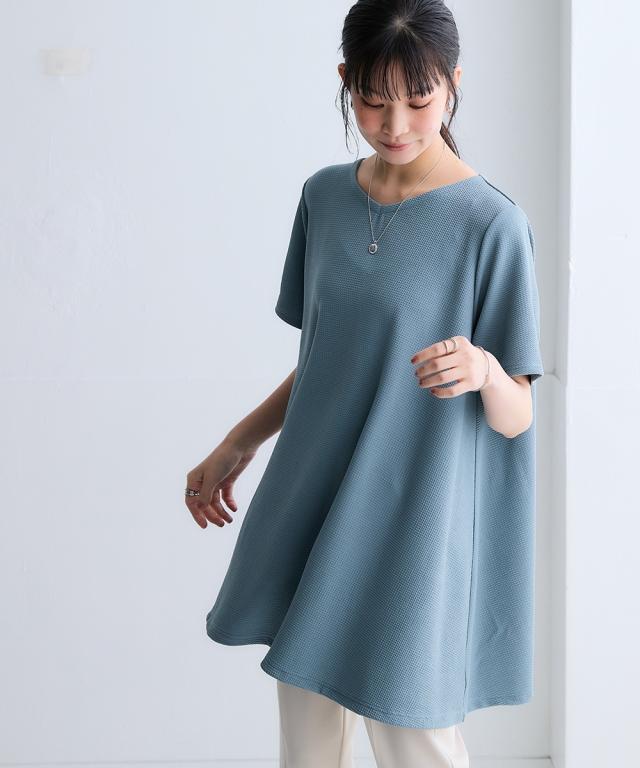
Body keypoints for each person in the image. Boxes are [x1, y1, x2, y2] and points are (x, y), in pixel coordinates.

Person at [186, 1, 544, 766]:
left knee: (413, 734)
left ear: (453, 85)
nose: (396, 124)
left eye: (419, 100)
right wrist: (238, 441)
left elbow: (517, 415)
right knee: (307, 739)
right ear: (346, 81)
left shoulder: (491, 224)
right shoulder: (323, 197)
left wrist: (485, 370)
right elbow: (328, 360)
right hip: (315, 499)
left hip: (415, 516)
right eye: (374, 101)